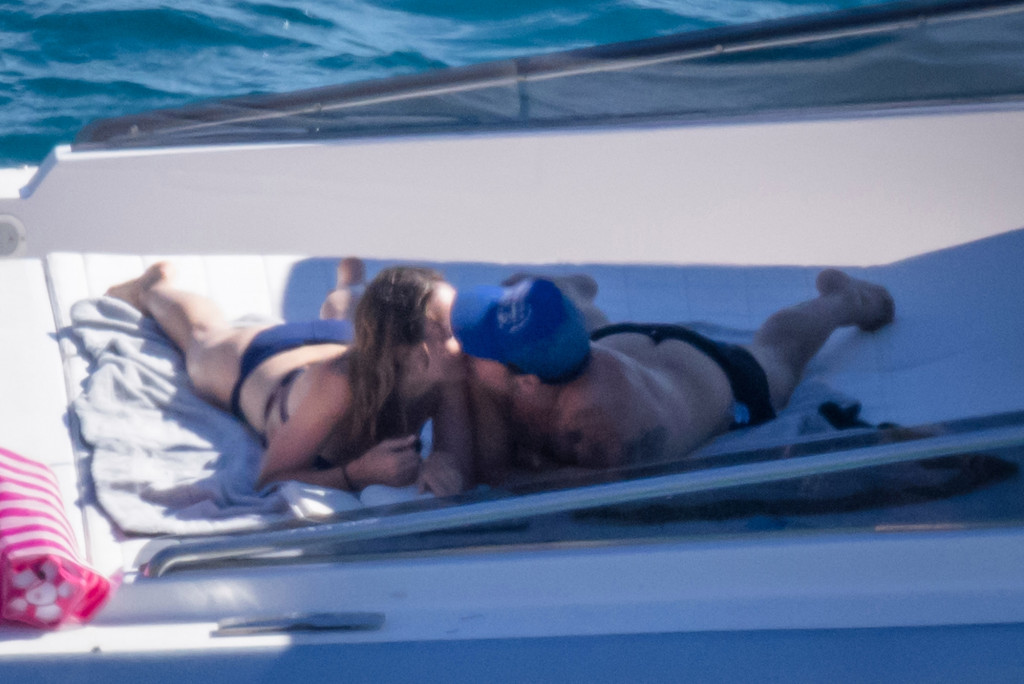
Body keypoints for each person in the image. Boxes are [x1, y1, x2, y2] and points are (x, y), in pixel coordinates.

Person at [451, 269, 895, 484]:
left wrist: (508, 469)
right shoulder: (558, 360)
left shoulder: (604, 431)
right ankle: (566, 294)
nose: (461, 355)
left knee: (779, 352)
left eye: (476, 352)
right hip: (612, 348)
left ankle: (847, 301)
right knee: (587, 333)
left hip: (712, 376)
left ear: (526, 381)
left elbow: (584, 490)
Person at [106, 261, 472, 495]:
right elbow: (270, 477)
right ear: (406, 350)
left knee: (346, 321)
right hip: (268, 367)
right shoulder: (340, 385)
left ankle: (346, 290)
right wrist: (357, 473)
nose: (466, 331)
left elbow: (455, 459)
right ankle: (152, 287)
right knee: (203, 340)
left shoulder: (446, 373)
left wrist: (442, 462)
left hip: (343, 339)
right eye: (450, 328)